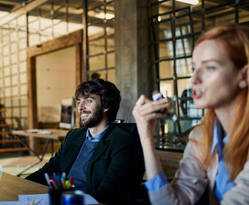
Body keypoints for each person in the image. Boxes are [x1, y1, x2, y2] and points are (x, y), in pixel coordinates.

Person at [132, 26, 249, 204]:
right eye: (194, 68)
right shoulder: (202, 135)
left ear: (245, 75)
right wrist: (146, 136)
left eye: (210, 67)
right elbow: (172, 202)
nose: (194, 79)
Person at [26, 79, 145, 204]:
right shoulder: (73, 136)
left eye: (88, 101)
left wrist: (69, 201)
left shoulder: (123, 142)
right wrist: (23, 184)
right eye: (79, 101)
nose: (80, 107)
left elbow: (109, 192)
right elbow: (49, 170)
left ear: (106, 106)